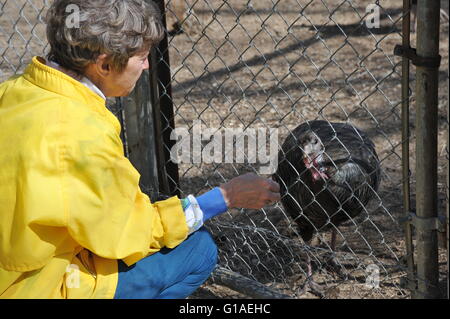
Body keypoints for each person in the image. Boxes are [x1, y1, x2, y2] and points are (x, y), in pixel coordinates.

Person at [0, 0, 280, 299]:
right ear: (105, 64)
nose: (147, 66)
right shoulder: (82, 133)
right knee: (197, 250)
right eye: (142, 57)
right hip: (35, 287)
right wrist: (223, 198)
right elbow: (127, 235)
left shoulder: (13, 91)